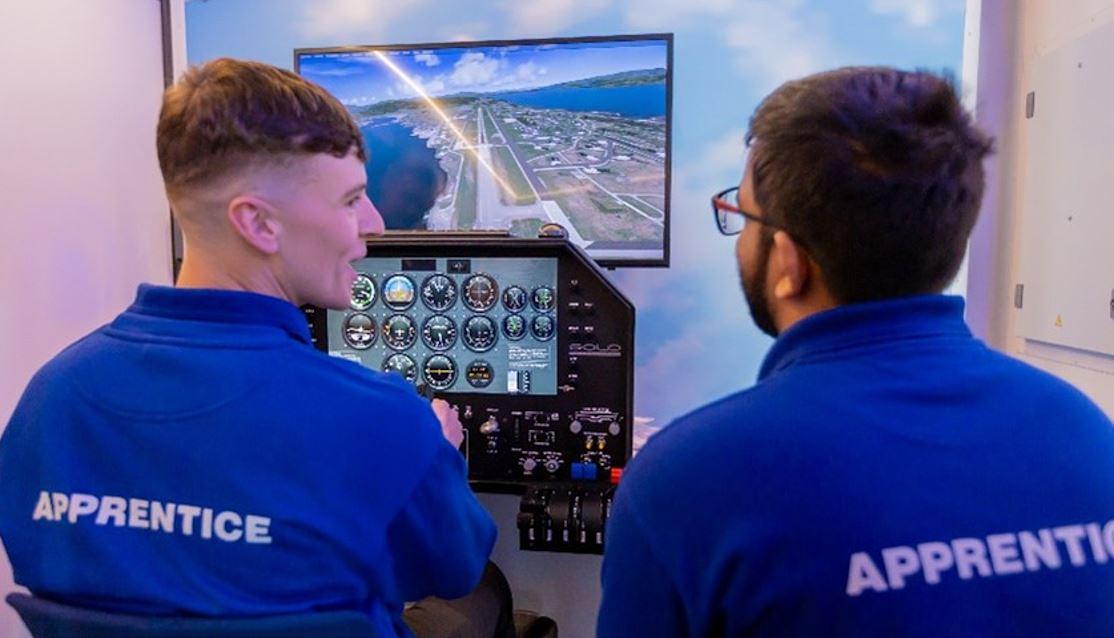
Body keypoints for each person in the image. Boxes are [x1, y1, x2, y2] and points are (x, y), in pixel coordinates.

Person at [598, 67, 1114, 637]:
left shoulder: (683, 481)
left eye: (741, 216)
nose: (740, 240)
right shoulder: (1086, 432)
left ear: (790, 263)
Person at [0, 58, 506, 638]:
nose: (373, 222)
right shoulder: (384, 422)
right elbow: (453, 566)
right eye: (350, 200)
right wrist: (436, 457)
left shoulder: (52, 399)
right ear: (258, 223)